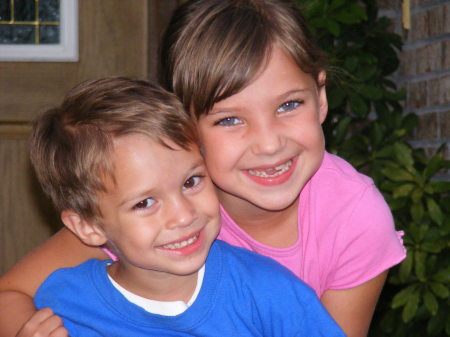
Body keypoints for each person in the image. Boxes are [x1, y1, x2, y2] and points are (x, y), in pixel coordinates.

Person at [0, 1, 406, 336]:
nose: (269, 144)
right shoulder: (156, 201)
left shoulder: (355, 219)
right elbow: (9, 296)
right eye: (229, 119)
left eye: (288, 105)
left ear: (320, 97)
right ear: (183, 127)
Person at [26, 77, 346, 337]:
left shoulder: (270, 293)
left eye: (191, 182)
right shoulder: (63, 305)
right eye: (145, 203)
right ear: (87, 226)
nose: (184, 215)